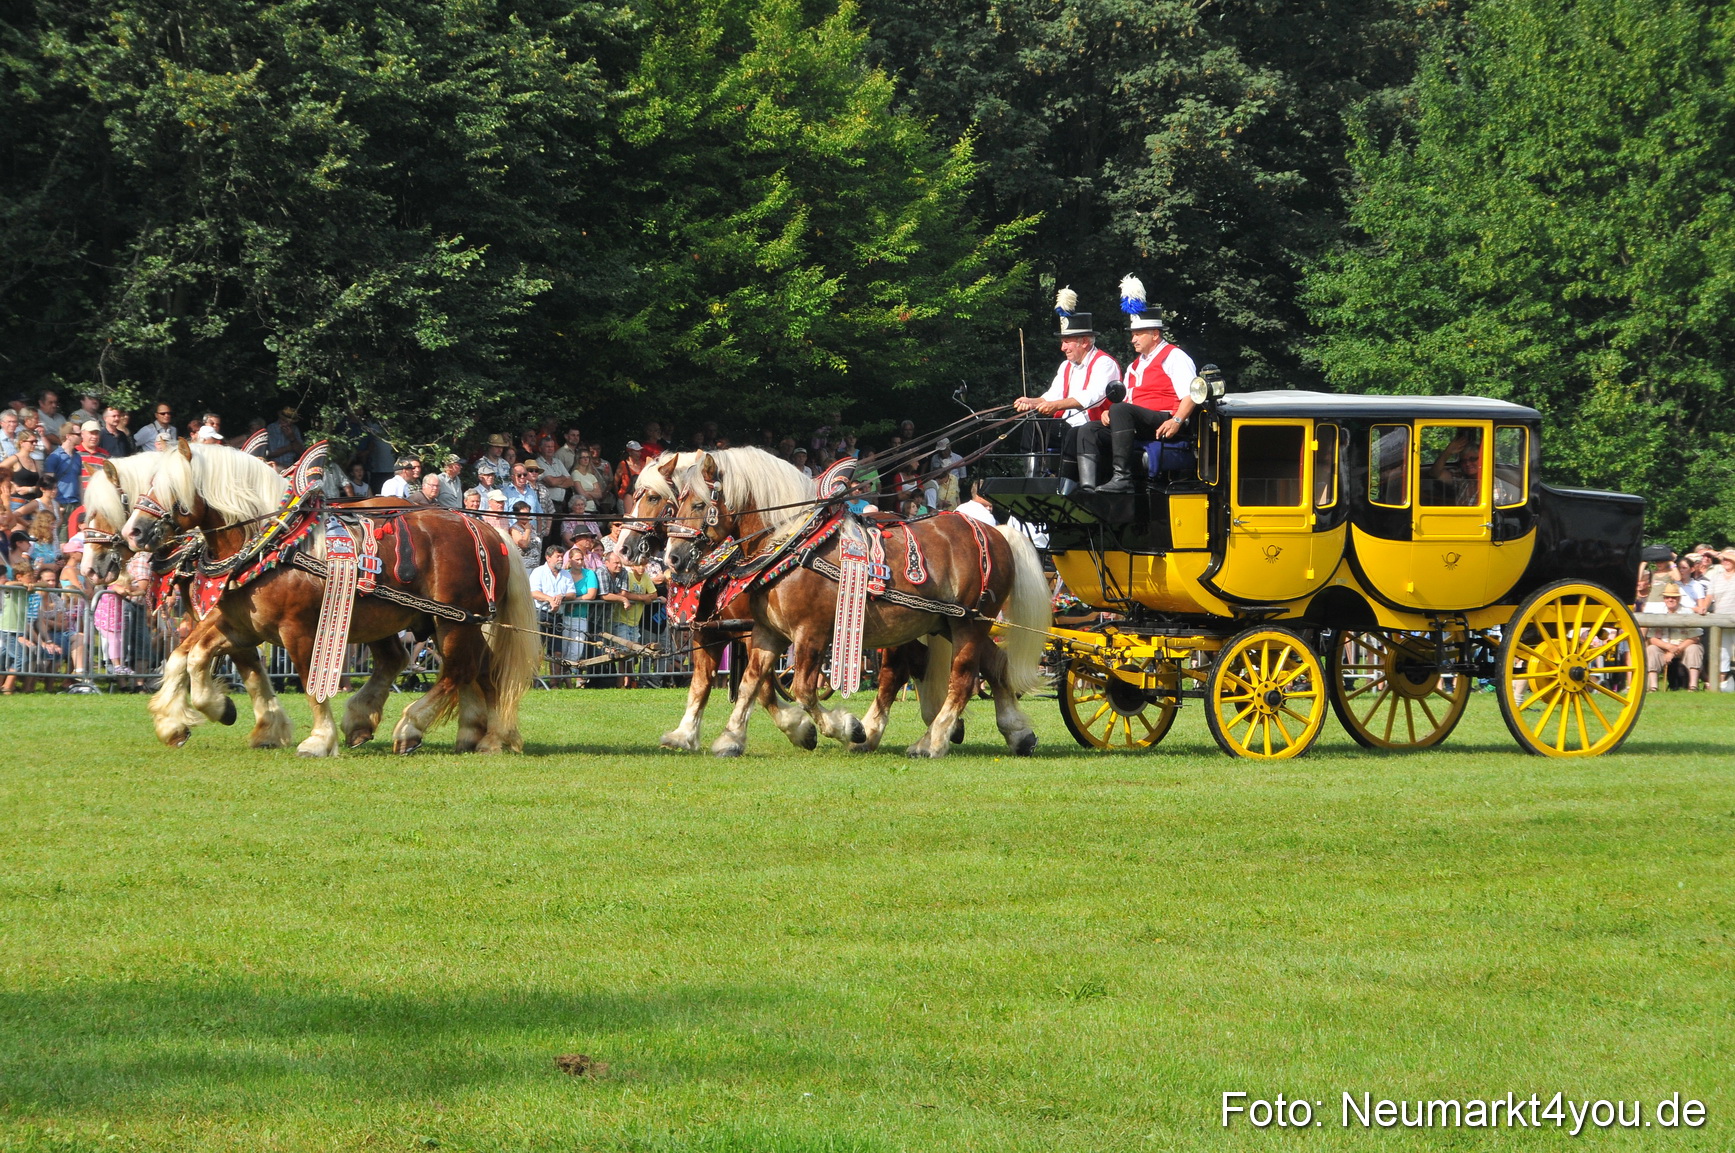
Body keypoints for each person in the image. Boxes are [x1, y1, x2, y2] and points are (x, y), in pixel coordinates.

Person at [1079, 281, 1197, 493]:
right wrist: (1108, 413)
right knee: (1089, 429)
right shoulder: (1134, 366)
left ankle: (1123, 478)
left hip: (1164, 419)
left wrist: (1177, 421)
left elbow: (1191, 395)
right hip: (1137, 422)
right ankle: (1088, 487)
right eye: (1132, 334)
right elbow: (1127, 402)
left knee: (1120, 409)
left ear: (1155, 334)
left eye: (1138, 334)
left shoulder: (1174, 357)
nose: (1133, 340)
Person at [1012, 289, 1119, 482]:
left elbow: (1092, 397)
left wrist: (1056, 405)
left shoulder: (1104, 363)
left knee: (1075, 433)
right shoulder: (1066, 366)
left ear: (1084, 342)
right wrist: (1031, 402)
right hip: (1067, 427)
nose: (1062, 348)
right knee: (1033, 425)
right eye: (1063, 342)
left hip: (1093, 429)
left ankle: (1065, 482)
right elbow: (1052, 396)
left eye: (1067, 342)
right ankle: (1032, 479)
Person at [529, 543, 580, 672]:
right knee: (538, 648)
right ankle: (534, 679)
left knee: (557, 650)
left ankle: (554, 680)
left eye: (562, 557)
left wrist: (561, 596)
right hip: (541, 614)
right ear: (548, 557)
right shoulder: (538, 572)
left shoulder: (566, 574)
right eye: (557, 556)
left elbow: (572, 594)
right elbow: (534, 592)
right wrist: (550, 599)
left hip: (558, 616)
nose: (560, 559)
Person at [1644, 583, 1704, 691]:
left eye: (1673, 597)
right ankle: (1653, 687)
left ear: (1679, 598)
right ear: (1664, 598)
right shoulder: (1657, 613)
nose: (1670, 599)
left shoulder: (1688, 612)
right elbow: (1651, 638)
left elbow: (1696, 637)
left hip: (1683, 647)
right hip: (1664, 648)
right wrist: (1668, 647)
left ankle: (1693, 686)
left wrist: (1675, 650)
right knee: (1651, 649)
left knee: (1695, 648)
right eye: (1667, 597)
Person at [1, 431, 47, 519]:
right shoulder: (14, 459)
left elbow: (40, 482)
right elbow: (1, 471)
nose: (34, 444)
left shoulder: (35, 462)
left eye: (36, 441)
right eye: (31, 442)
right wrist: (11, 484)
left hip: (32, 503)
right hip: (17, 501)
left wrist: (30, 489)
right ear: (22, 443)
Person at [1708, 547, 1735, 690]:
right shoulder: (1716, 577)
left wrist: (1719, 554)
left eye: (1729, 559)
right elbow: (1709, 595)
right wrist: (1703, 607)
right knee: (1723, 652)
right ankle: (1721, 683)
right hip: (1720, 618)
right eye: (1724, 560)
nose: (1725, 561)